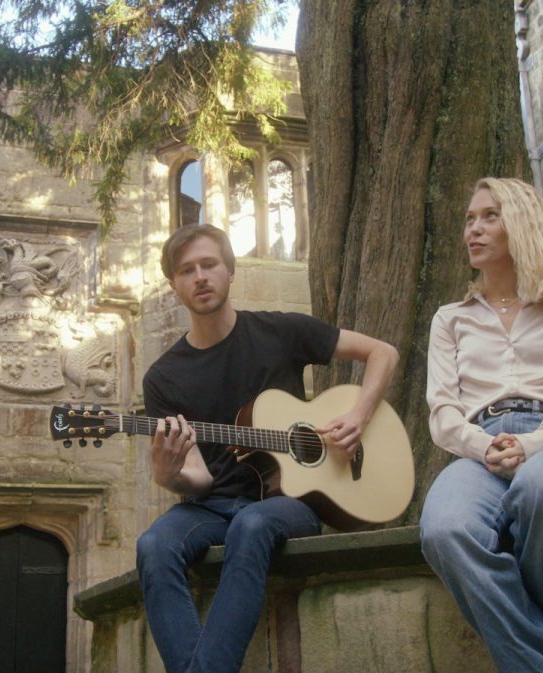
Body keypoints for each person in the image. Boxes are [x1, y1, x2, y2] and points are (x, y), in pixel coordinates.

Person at [137, 223, 399, 673]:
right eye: (186, 270)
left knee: (253, 525)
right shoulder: (164, 378)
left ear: (230, 271)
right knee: (154, 545)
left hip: (290, 503)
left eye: (209, 264)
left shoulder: (281, 332)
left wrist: (358, 416)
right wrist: (168, 474)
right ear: (174, 285)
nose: (200, 276)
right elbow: (199, 478)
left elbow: (383, 353)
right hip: (212, 506)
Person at [419, 177, 543, 673]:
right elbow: (442, 412)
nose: (473, 229)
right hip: (477, 448)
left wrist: (535, 443)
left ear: (523, 224)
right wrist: (486, 446)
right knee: (444, 528)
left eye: (489, 216)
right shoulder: (449, 319)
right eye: (469, 219)